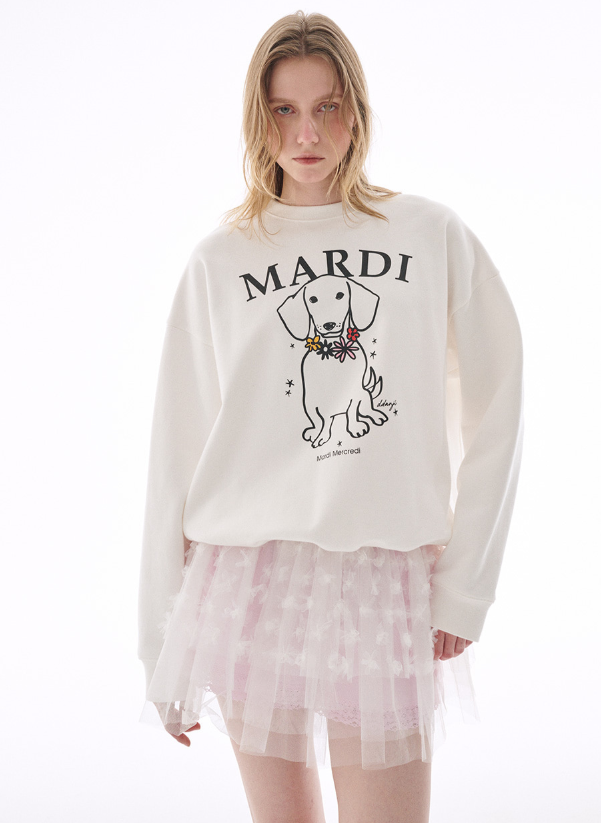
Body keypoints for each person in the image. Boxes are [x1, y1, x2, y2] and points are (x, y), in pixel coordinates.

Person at [137, 10, 524, 823]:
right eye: (283, 109)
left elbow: (498, 402)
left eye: (327, 107)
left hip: (381, 574)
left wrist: (465, 585)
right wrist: (160, 641)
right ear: (257, 116)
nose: (306, 133)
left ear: (357, 111)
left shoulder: (427, 234)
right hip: (244, 579)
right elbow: (176, 446)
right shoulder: (220, 257)